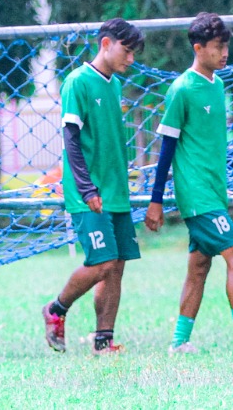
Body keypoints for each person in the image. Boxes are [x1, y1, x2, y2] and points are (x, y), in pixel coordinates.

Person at [145, 13, 233, 352]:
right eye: (218, 47)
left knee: (199, 267)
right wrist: (156, 200)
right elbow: (166, 149)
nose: (225, 53)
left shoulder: (217, 85)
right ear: (198, 48)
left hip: (213, 192)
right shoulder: (182, 89)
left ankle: (179, 342)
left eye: (226, 46)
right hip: (197, 195)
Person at [41, 18, 144, 355]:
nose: (131, 59)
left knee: (116, 266)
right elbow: (70, 139)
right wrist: (87, 189)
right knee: (101, 263)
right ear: (105, 44)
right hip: (89, 193)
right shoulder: (78, 82)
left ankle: (103, 342)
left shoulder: (114, 85)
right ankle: (56, 309)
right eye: (126, 51)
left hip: (116, 192)